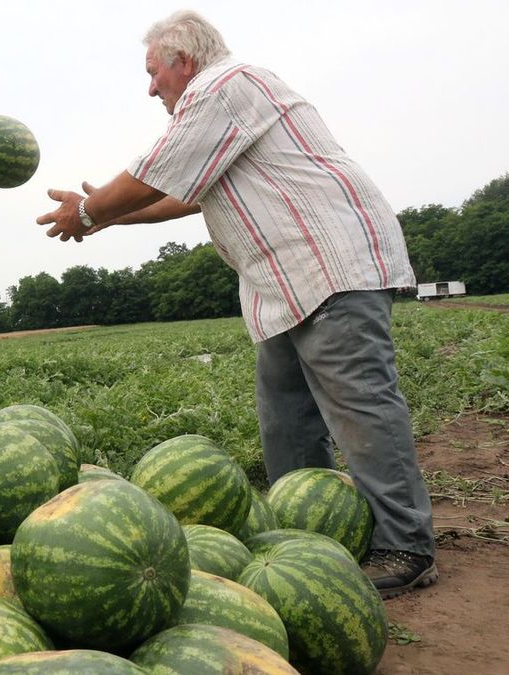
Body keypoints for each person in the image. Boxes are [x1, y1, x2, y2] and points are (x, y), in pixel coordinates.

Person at [36, 10, 436, 598]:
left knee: (361, 410)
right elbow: (181, 193)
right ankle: (305, 540)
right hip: (285, 285)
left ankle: (407, 544)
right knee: (287, 422)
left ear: (183, 62)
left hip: (326, 266)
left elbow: (155, 174)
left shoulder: (225, 86)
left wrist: (93, 211)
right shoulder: (221, 108)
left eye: (153, 73)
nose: (150, 88)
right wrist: (106, 220)